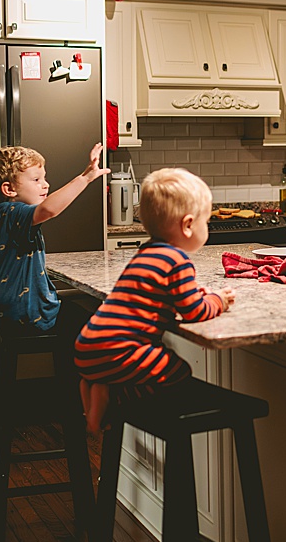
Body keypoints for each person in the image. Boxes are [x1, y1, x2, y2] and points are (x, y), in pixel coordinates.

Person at [74, 168, 236, 433]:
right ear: (187, 225)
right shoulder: (177, 260)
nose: (206, 228)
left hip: (89, 346)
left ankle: (96, 400)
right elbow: (194, 311)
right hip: (119, 350)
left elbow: (164, 296)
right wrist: (217, 301)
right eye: (205, 222)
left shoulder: (146, 253)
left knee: (133, 371)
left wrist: (199, 292)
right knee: (178, 371)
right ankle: (113, 398)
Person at [0, 142, 108, 337]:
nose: (46, 184)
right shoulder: (12, 212)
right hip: (28, 316)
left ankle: (69, 366)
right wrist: (84, 179)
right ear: (9, 190)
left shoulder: (9, 216)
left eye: (44, 178)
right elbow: (49, 210)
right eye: (36, 179)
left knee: (86, 322)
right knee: (102, 329)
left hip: (20, 314)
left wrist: (86, 175)